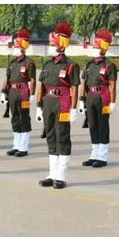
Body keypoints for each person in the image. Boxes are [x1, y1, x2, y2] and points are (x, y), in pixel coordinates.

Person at [36, 21, 80, 189]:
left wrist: (73, 109)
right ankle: (52, 173)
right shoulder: (47, 64)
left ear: (62, 43)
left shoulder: (71, 65)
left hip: (63, 102)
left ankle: (61, 175)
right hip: (48, 102)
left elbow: (74, 88)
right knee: (51, 136)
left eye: (53, 40)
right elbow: (42, 86)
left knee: (62, 137)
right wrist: (39, 106)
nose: (51, 42)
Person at [79, 29, 117, 168]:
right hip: (90, 97)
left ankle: (102, 156)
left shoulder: (109, 65)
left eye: (97, 46)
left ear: (103, 48)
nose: (94, 48)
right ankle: (94, 154)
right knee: (93, 126)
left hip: (103, 97)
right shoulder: (89, 64)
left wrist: (112, 102)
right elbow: (84, 83)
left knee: (102, 126)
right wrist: (82, 100)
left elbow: (112, 85)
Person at [0, 28, 36, 157]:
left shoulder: (29, 63)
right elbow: (7, 78)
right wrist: (3, 91)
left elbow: (32, 80)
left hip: (24, 92)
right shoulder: (12, 62)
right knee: (14, 117)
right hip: (12, 92)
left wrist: (32, 94)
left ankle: (23, 147)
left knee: (24, 117)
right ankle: (16, 145)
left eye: (18, 44)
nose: (15, 46)